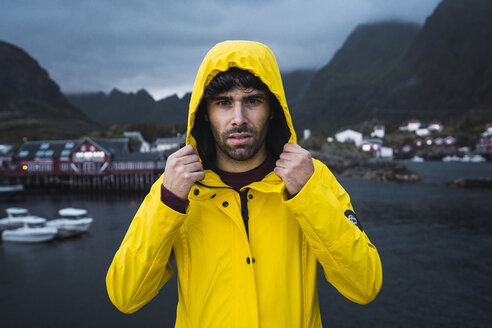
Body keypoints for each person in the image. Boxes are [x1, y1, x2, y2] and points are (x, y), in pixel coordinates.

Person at [106, 40, 382, 327]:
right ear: (205, 112)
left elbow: (364, 286)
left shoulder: (313, 178)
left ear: (272, 108)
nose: (238, 119)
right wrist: (169, 204)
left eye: (252, 101)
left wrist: (308, 194)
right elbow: (126, 296)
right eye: (223, 102)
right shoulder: (175, 187)